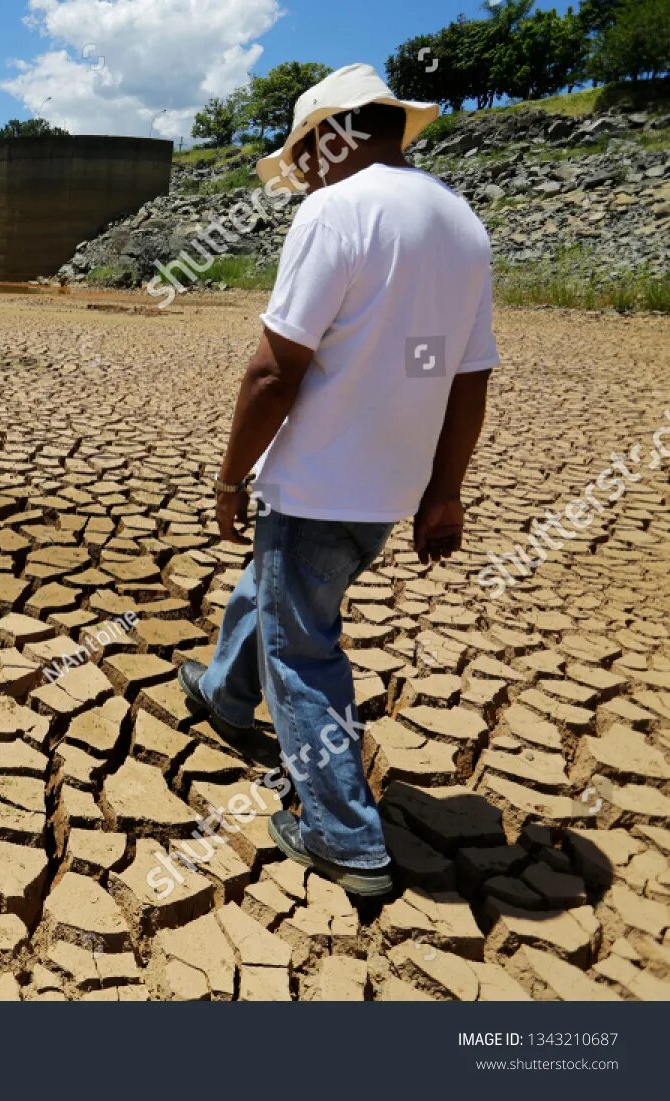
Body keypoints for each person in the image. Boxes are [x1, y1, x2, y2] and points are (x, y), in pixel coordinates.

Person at [177, 64, 498, 897]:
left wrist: (228, 477)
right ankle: (222, 693)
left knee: (305, 651)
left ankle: (343, 833)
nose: (304, 171)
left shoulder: (336, 212)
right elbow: (467, 378)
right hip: (388, 493)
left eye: (305, 151)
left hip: (319, 485)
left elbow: (273, 374)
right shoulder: (462, 224)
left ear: (334, 134)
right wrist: (444, 490)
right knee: (279, 591)